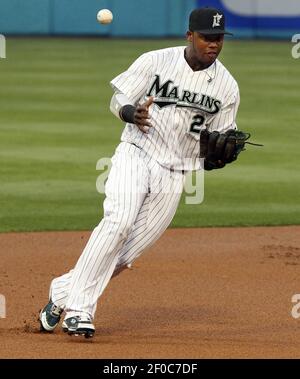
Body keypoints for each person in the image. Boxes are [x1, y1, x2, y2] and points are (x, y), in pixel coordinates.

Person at [39, 7, 240, 338]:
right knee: (117, 223)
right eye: (207, 37)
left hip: (175, 173)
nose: (214, 44)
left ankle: (60, 294)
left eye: (219, 38)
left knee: (125, 254)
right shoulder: (156, 61)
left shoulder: (227, 87)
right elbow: (117, 99)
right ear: (189, 36)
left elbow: (218, 140)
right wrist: (130, 112)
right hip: (137, 153)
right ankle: (79, 310)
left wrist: (217, 158)